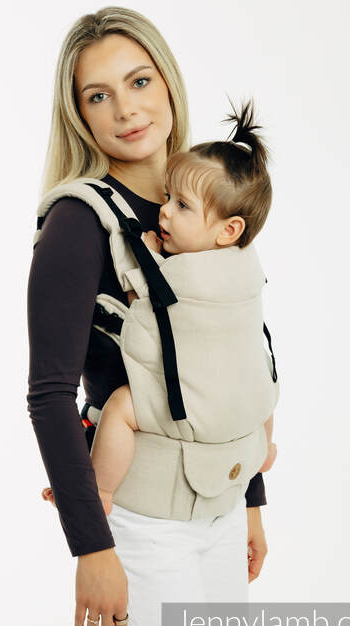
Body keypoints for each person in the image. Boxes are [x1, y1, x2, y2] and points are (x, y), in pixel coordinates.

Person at [27, 6, 273, 626]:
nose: (126, 109)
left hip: (220, 506)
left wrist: (249, 498)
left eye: (138, 82)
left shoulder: (203, 202)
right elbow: (49, 395)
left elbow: (231, 353)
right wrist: (91, 547)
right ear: (78, 114)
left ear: (167, 82)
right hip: (142, 524)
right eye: (97, 95)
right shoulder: (79, 222)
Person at [41, 98, 278, 520]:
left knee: (120, 407)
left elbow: (148, 321)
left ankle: (100, 488)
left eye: (182, 206)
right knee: (262, 389)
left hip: (194, 413)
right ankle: (266, 448)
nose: (164, 211)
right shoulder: (247, 263)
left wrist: (148, 261)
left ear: (229, 230)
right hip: (246, 409)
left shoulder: (176, 272)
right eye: (169, 197)